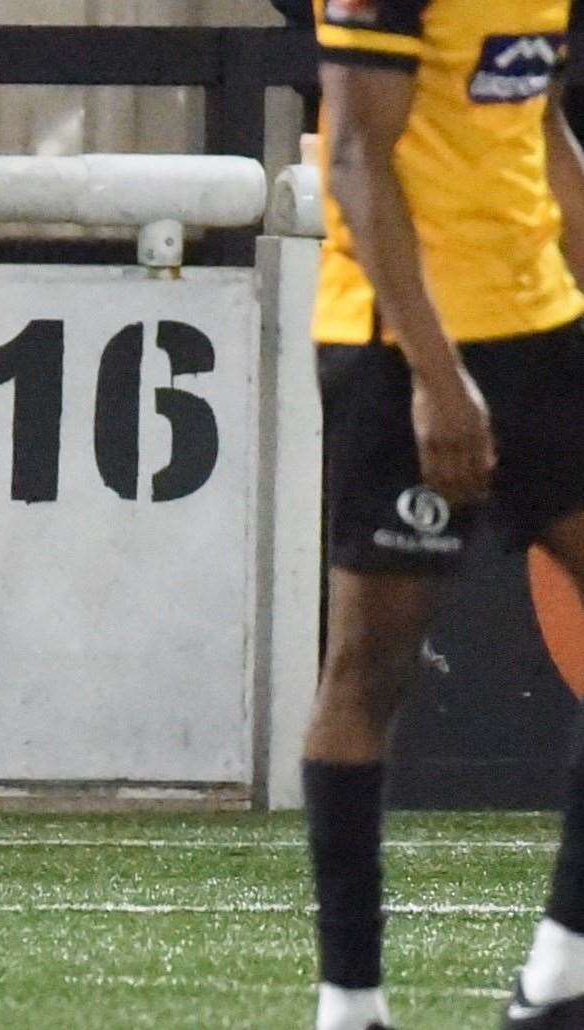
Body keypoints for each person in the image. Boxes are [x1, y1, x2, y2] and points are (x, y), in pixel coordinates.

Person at [306, 2, 584, 1028]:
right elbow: (355, 163)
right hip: (403, 350)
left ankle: (558, 973)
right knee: (367, 671)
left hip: (539, 331)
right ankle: (349, 1003)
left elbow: (537, 128)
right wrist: (435, 378)